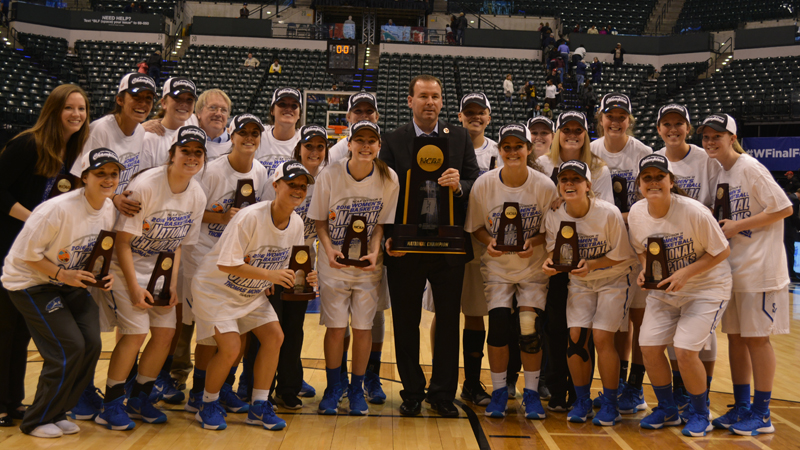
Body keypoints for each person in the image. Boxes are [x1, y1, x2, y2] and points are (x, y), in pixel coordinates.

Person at [2, 149, 122, 438]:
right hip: (30, 282)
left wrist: (104, 274)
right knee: (69, 347)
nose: (108, 179)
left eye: (113, 174)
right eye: (100, 173)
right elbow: (25, 256)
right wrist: (61, 274)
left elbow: (94, 252)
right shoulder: (57, 209)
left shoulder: (107, 208)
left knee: (92, 343)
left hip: (67, 280)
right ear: (85, 177)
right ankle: (36, 419)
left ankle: (59, 411)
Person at [93, 125, 207, 431]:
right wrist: (132, 288)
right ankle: (112, 403)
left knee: (166, 333)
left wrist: (171, 284)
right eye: (185, 151)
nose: (192, 157)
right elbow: (122, 243)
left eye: (198, 153)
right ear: (172, 155)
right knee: (135, 332)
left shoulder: (197, 194)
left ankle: (140, 398)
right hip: (124, 266)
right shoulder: (146, 186)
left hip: (160, 270)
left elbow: (179, 244)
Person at [379, 74, 480, 417]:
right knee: (406, 321)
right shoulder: (392, 140)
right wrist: (389, 238)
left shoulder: (461, 137)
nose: (430, 102)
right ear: (410, 101)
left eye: (435, 96)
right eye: (423, 96)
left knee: (449, 322)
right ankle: (411, 391)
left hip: (448, 245)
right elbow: (385, 192)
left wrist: (460, 185)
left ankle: (441, 393)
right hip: (406, 246)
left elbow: (474, 180)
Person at [190, 160, 316, 431]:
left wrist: (307, 276)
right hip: (216, 290)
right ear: (275, 185)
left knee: (275, 336)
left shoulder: (295, 223)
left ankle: (259, 405)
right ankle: (207, 404)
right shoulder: (249, 216)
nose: (297, 190)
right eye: (291, 184)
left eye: (302, 187)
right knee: (231, 347)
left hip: (249, 291)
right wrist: (268, 276)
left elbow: (289, 265)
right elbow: (226, 264)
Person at [0, 84, 91, 429]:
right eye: (69, 108)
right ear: (53, 110)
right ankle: (3, 402)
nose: (76, 115)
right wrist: (34, 219)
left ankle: (14, 402)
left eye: (81, 109)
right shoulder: (27, 143)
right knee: (6, 329)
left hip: (39, 249)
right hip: (9, 244)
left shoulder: (73, 150)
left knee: (22, 330)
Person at [699, 114, 793, 436]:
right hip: (734, 269)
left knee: (757, 339)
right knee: (736, 339)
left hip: (760, 270)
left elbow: (783, 208)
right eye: (707, 137)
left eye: (717, 136)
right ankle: (741, 407)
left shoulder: (750, 167)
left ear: (732, 137)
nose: (711, 142)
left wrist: (737, 225)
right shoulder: (719, 170)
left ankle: (762, 412)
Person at [627, 153, 732, 437]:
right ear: (639, 185)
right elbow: (641, 247)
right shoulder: (637, 213)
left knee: (685, 351)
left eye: (659, 177)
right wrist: (645, 268)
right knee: (648, 347)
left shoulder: (694, 211)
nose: (653, 182)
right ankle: (667, 409)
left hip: (706, 289)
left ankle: (700, 412)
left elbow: (722, 251)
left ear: (671, 181)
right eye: (647, 178)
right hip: (665, 291)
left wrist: (686, 273)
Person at [181, 115, 269, 417]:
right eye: (242, 132)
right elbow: (190, 211)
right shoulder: (212, 171)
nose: (248, 138)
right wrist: (222, 217)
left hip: (238, 264)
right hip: (205, 260)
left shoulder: (260, 172)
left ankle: (224, 388)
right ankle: (198, 392)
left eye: (254, 133)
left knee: (240, 326)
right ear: (231, 136)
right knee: (209, 333)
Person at [466, 123, 556, 420]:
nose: (513, 152)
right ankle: (500, 391)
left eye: (519, 146)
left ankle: (530, 394)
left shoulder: (544, 185)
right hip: (498, 270)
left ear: (528, 149)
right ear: (500, 150)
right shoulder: (484, 184)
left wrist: (533, 241)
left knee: (529, 328)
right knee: (500, 326)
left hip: (531, 269)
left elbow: (550, 231)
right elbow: (476, 227)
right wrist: (490, 242)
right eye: (507, 147)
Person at [310, 120, 399, 415]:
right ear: (348, 145)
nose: (365, 146)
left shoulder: (389, 179)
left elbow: (379, 227)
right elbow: (320, 220)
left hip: (367, 266)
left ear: (379, 146)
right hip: (333, 261)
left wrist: (374, 253)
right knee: (336, 328)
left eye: (371, 141)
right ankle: (334, 387)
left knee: (362, 328)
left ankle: (356, 388)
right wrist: (328, 246)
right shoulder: (330, 175)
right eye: (359, 140)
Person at [542, 159, 636, 425]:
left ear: (588, 185)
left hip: (613, 279)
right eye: (564, 180)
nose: (569, 184)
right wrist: (551, 263)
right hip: (581, 282)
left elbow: (624, 257)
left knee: (602, 338)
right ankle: (582, 400)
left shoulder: (608, 213)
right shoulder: (555, 213)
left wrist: (592, 264)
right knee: (575, 337)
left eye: (576, 180)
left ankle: (610, 402)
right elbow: (554, 249)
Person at [424, 93, 499, 407]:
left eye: (480, 113)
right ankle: (440, 380)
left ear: (488, 116)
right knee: (444, 310)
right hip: (448, 234)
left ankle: (470, 381)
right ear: (459, 116)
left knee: (474, 311)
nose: (475, 118)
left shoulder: (498, 150)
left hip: (483, 238)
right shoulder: (446, 143)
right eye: (469, 113)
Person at [536, 112, 613, 411]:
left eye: (577, 130)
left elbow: (604, 211)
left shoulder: (599, 168)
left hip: (589, 260)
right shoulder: (543, 164)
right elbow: (540, 208)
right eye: (565, 129)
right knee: (555, 327)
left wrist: (571, 198)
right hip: (556, 257)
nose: (571, 134)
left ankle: (579, 392)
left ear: (586, 134)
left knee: (582, 331)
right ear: (557, 133)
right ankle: (555, 388)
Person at [654, 105, 723, 410]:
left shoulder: (704, 159)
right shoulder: (654, 160)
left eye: (678, 123)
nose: (673, 129)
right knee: (674, 331)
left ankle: (702, 393)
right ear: (658, 129)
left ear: (688, 126)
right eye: (666, 124)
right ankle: (682, 390)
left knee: (702, 333)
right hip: (670, 253)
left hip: (702, 250)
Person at [590, 92, 654, 414]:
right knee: (615, 323)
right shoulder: (590, 152)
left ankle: (635, 387)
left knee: (639, 321)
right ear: (600, 118)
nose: (615, 121)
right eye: (610, 116)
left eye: (621, 116)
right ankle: (615, 387)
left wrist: (621, 217)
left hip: (639, 244)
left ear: (630, 119)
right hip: (606, 248)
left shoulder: (643, 153)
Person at [326, 92, 390, 404]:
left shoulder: (385, 161)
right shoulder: (335, 154)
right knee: (339, 322)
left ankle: (369, 377)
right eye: (358, 110)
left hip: (372, 254)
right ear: (348, 117)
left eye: (370, 110)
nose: (364, 114)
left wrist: (377, 247)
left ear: (377, 116)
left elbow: (385, 216)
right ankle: (337, 379)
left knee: (371, 316)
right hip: (338, 253)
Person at [260, 125, 328, 410]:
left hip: (303, 259)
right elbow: (261, 219)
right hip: (273, 258)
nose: (314, 152)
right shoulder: (279, 176)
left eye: (319, 147)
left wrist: (316, 268)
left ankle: (288, 387)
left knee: (293, 328)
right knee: (267, 326)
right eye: (308, 146)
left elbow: (327, 226)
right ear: (299, 147)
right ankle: (255, 387)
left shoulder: (326, 180)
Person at [70, 73, 156, 219]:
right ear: (120, 100)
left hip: (117, 214)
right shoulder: (100, 130)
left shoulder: (140, 131)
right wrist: (114, 197)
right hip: (92, 212)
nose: (143, 103)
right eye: (136, 97)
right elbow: (79, 179)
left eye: (148, 98)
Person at [139, 77, 197, 172]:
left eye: (189, 99)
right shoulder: (149, 139)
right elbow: (140, 181)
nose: (184, 104)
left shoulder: (194, 123)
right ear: (164, 103)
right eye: (177, 98)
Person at [255, 88, 301, 178]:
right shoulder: (258, 134)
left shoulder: (304, 141)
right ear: (272, 111)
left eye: (294, 106)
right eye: (282, 104)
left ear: (299, 114)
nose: (288, 109)